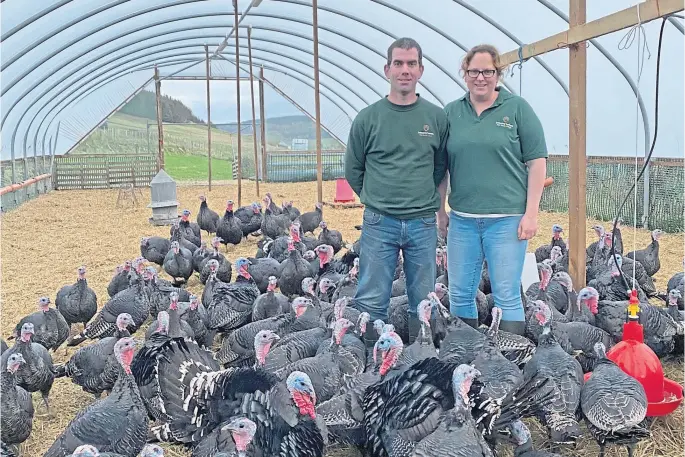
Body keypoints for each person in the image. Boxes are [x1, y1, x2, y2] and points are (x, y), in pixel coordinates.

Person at [344, 37, 448, 347]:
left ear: (421, 70)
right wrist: (377, 198)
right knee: (372, 298)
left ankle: (420, 356)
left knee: (423, 300)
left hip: (422, 222)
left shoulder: (436, 117)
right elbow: (354, 169)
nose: (405, 70)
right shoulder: (368, 118)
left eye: (411, 64)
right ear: (387, 69)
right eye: (399, 64)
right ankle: (370, 361)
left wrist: (428, 201)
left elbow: (440, 166)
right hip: (380, 222)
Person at [438, 44, 547, 335]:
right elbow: (441, 168)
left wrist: (531, 214)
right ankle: (463, 353)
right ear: (465, 74)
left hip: (507, 220)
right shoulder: (451, 113)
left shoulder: (516, 109)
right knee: (460, 292)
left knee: (506, 294)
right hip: (462, 220)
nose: (481, 77)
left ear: (498, 73)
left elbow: (537, 163)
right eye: (474, 71)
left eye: (488, 71)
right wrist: (441, 211)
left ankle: (510, 362)